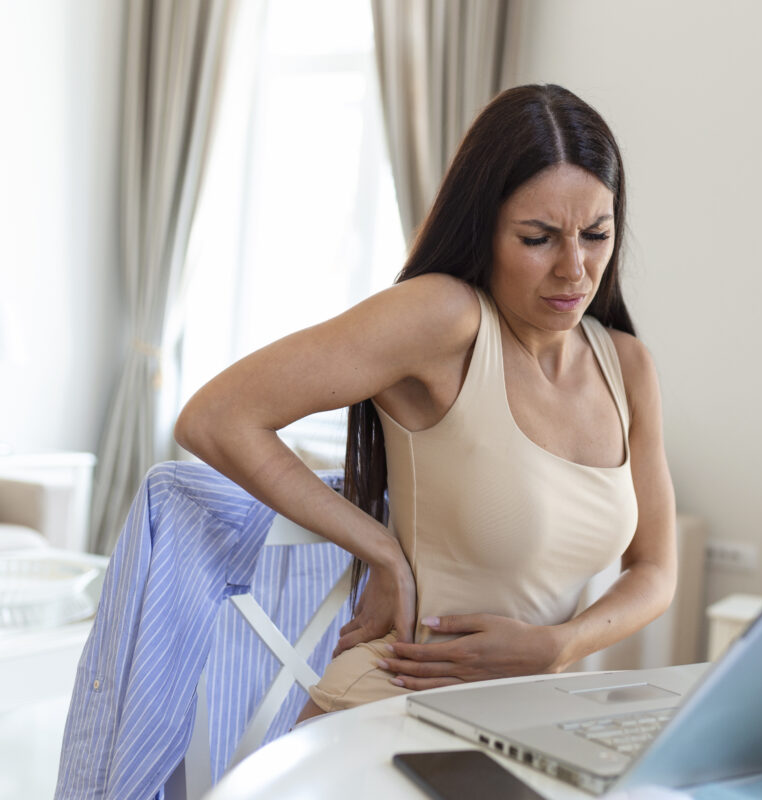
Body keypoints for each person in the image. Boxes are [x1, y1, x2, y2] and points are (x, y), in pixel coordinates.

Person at [173, 83, 676, 724]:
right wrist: (380, 547)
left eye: (596, 234)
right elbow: (215, 418)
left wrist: (559, 645)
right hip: (390, 711)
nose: (574, 269)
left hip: (523, 722)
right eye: (538, 238)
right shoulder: (446, 319)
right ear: (484, 229)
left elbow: (656, 568)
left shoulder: (626, 365)